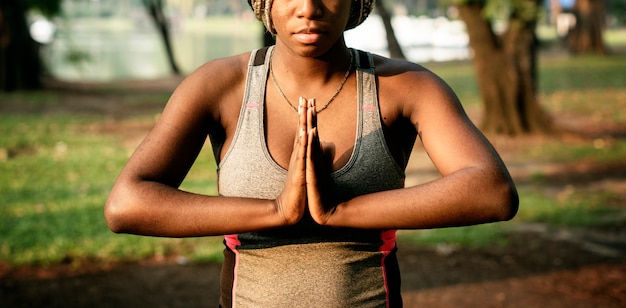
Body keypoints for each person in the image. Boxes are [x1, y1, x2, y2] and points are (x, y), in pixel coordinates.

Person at [105, 0, 519, 306]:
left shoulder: (404, 86)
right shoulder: (221, 86)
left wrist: (342, 212)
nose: (308, 8)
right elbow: (126, 204)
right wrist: (277, 211)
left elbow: (492, 191)